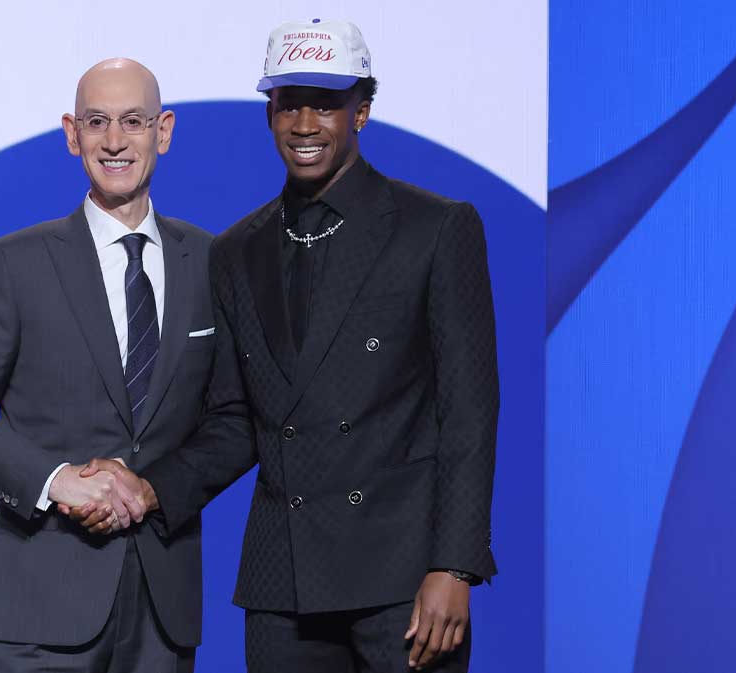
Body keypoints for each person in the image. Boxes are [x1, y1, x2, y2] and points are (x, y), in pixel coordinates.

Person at [71, 19, 500, 673]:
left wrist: (456, 563)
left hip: (405, 580)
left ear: (363, 110)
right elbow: (239, 421)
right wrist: (151, 490)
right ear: (269, 111)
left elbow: (470, 411)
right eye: (289, 102)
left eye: (325, 103)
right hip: (282, 584)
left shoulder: (435, 228)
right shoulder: (239, 250)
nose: (306, 124)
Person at [0, 58, 213, 673]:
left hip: (165, 609)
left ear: (163, 131)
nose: (114, 141)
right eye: (97, 121)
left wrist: (153, 490)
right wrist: (57, 481)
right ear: (70, 133)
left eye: (132, 121)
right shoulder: (15, 263)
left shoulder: (212, 262)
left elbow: (234, 417)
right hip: (44, 605)